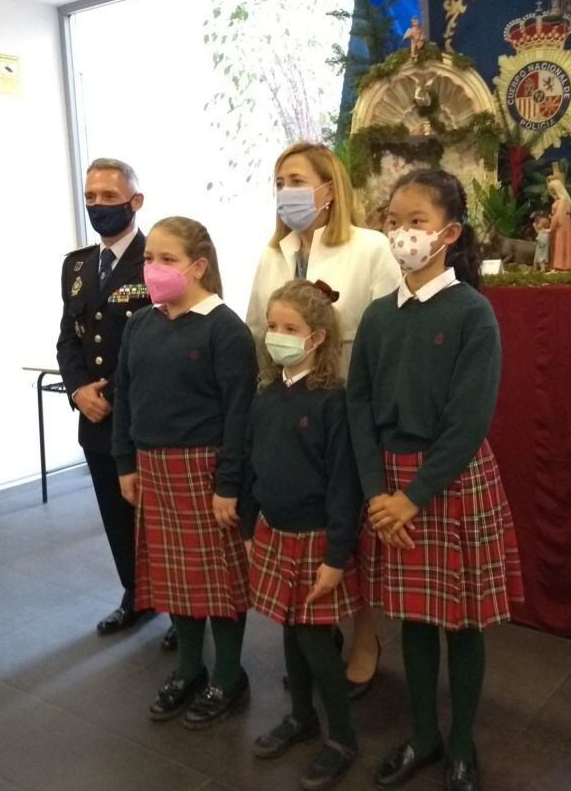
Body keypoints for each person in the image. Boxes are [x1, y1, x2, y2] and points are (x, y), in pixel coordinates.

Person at [348, 169, 524, 791]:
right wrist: (377, 493)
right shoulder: (377, 316)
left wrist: (411, 497)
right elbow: (358, 408)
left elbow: (469, 419)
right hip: (388, 486)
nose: (401, 233)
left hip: (448, 481)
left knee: (462, 620)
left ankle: (462, 744)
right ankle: (422, 734)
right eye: (393, 221)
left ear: (449, 233)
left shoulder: (473, 313)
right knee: (413, 619)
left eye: (416, 222)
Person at [246, 142, 401, 697]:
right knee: (309, 523)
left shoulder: (370, 246)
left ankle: (366, 634)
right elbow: (255, 330)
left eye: (296, 179)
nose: (285, 190)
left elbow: (388, 332)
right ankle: (317, 634)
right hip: (293, 406)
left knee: (351, 522)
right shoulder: (274, 253)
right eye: (279, 180)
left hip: (353, 403)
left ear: (328, 189)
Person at [113, 217, 257, 729]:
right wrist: (125, 461)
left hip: (206, 470)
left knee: (220, 583)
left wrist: (230, 484)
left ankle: (228, 673)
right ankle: (190, 668)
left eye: (167, 260)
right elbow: (125, 396)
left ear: (198, 267)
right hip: (153, 468)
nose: (154, 269)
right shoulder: (141, 325)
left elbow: (241, 414)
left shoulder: (225, 329)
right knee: (176, 583)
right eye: (149, 258)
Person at [241, 280, 363, 791]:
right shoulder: (266, 394)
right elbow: (252, 463)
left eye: (290, 329)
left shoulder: (333, 401)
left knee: (315, 641)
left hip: (317, 539)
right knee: (290, 630)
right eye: (272, 326)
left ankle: (342, 738)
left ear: (315, 339)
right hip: (274, 532)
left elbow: (344, 484)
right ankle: (300, 716)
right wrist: (250, 524)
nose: (277, 336)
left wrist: (337, 555)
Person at [55, 158, 175, 648]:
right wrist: (78, 390)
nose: (98, 206)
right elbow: (69, 339)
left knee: (161, 521)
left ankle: (179, 611)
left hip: (145, 419)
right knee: (115, 515)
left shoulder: (160, 260)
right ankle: (136, 596)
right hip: (97, 418)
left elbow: (169, 346)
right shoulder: (77, 265)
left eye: (108, 196)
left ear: (135, 201)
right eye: (91, 198)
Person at [548, 178, 571, 271]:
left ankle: (561, 265)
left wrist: (551, 228)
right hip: (565, 222)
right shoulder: (564, 199)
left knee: (561, 242)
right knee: (562, 242)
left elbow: (558, 216)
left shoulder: (563, 200)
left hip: (562, 223)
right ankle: (562, 265)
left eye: (553, 190)